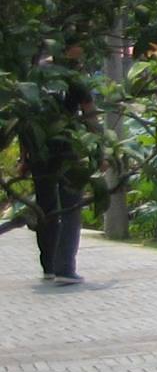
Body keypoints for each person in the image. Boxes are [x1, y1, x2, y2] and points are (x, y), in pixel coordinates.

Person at [24, 50, 94, 284]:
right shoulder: (74, 77)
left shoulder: (36, 74)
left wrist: (25, 156)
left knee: (46, 208)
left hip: (39, 151)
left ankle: (49, 266)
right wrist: (101, 148)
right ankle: (65, 268)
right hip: (66, 149)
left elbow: (25, 118)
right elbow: (90, 114)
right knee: (71, 208)